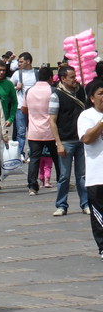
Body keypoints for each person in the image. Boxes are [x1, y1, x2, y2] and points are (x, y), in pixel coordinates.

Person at [49, 65, 89, 216]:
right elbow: (52, 121)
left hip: (81, 140)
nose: (75, 79)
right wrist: (58, 143)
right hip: (65, 141)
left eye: (75, 76)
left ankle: (85, 204)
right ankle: (61, 205)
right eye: (71, 77)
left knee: (82, 175)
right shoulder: (56, 95)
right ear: (63, 79)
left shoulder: (81, 92)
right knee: (64, 176)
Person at [21, 66, 59, 196]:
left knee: (34, 159)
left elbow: (24, 109)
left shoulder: (29, 91)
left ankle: (32, 185)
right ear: (50, 78)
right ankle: (61, 180)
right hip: (50, 131)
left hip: (34, 131)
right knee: (57, 158)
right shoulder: (53, 90)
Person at [78, 79, 103, 260]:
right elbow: (87, 139)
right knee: (99, 215)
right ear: (92, 98)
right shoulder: (86, 116)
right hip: (97, 175)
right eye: (100, 94)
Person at [11, 52, 38, 161]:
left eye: (21, 62)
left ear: (28, 61)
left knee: (33, 131)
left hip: (34, 107)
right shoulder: (17, 74)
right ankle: (20, 153)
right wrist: (16, 87)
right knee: (21, 132)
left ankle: (32, 153)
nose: (19, 64)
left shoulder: (37, 73)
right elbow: (10, 87)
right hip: (20, 107)